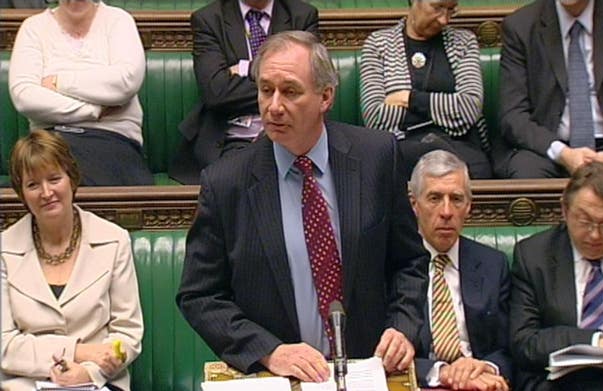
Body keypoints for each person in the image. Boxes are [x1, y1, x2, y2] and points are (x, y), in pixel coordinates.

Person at [176, 31, 428, 382]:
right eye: (266, 90)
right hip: (280, 378)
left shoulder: (377, 157)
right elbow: (200, 295)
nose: (274, 105)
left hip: (368, 371)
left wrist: (403, 326)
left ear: (326, 96)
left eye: (290, 91)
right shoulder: (226, 182)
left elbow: (409, 263)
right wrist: (268, 350)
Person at [1, 130, 143, 391]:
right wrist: (79, 351)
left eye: (54, 179)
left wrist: (89, 372)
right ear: (21, 192)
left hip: (98, 382)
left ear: (71, 179)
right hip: (24, 384)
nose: (46, 193)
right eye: (33, 185)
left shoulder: (113, 240)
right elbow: (4, 346)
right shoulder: (4, 249)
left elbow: (128, 333)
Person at [510, 161, 603, 390]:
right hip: (560, 384)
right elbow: (524, 342)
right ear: (564, 209)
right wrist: (601, 343)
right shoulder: (534, 255)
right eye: (584, 221)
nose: (594, 235)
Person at [168, 0, 319, 184]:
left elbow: (307, 83)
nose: (272, 95)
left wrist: (244, 69)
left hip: (291, 135)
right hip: (233, 139)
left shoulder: (301, 16)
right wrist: (285, 86)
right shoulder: (210, 19)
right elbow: (216, 92)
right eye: (266, 89)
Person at [8, 0, 154, 186]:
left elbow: (125, 82)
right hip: (51, 142)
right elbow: (25, 97)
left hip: (113, 139)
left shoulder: (118, 20)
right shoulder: (33, 28)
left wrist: (58, 82)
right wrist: (94, 110)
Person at [499, 0, 603, 179]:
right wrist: (563, 153)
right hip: (549, 148)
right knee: (526, 170)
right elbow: (513, 115)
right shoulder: (521, 26)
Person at [408, 150, 511, 390]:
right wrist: (441, 372)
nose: (446, 212)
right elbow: (381, 351)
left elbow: (511, 348)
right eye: (434, 198)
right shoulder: (392, 266)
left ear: (469, 206)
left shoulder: (493, 264)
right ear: (415, 204)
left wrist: (486, 367)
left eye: (456, 199)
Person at [359, 0, 493, 179]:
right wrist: (444, 112)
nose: (444, 20)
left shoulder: (464, 42)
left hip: (460, 145)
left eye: (451, 10)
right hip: (402, 147)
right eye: (438, 8)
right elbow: (375, 117)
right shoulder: (378, 45)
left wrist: (408, 99)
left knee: (474, 172)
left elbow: (469, 108)